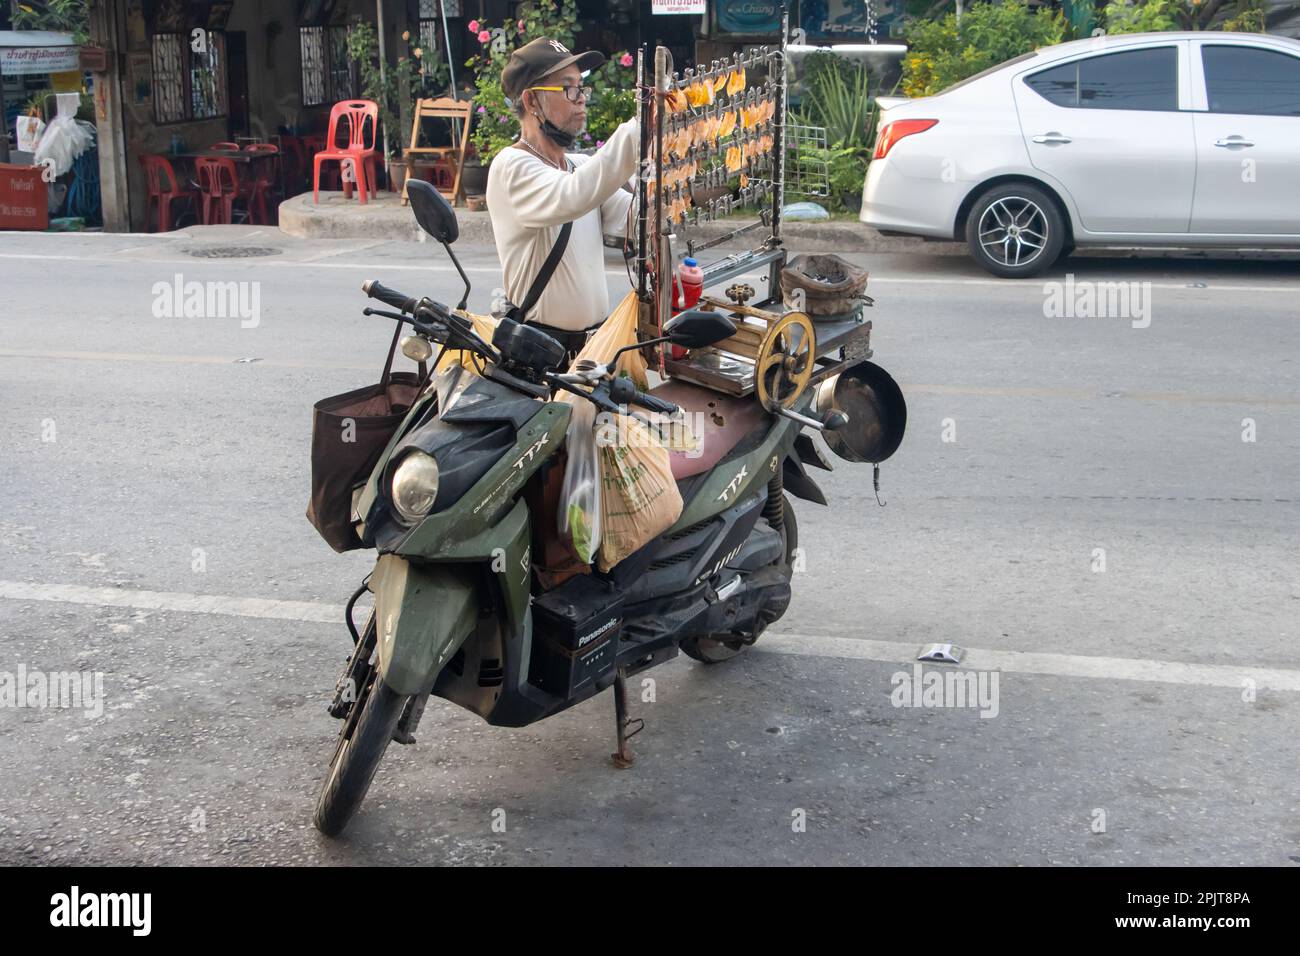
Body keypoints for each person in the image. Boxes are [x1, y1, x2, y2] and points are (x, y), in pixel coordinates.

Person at [486, 37, 642, 359]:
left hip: (593, 353)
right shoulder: (512, 167)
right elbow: (572, 194)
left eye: (582, 88)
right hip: (541, 359)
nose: (581, 99)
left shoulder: (578, 167)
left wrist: (690, 185)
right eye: (569, 89)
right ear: (531, 102)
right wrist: (641, 129)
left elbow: (635, 218)